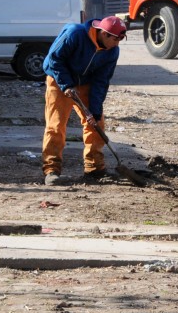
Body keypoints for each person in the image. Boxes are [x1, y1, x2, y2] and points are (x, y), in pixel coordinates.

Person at [41, 16, 126, 186]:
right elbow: (54, 60)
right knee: (56, 125)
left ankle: (94, 168)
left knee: (96, 124)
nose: (117, 44)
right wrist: (66, 84)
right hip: (59, 81)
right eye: (116, 39)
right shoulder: (75, 34)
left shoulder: (112, 51)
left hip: (85, 83)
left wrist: (95, 110)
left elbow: (102, 81)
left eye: (121, 40)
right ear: (104, 34)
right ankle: (52, 169)